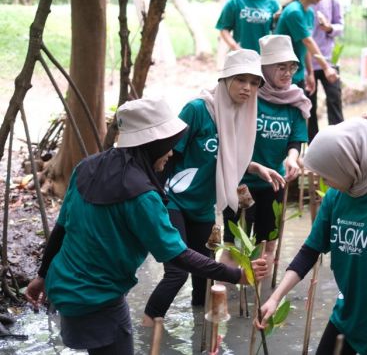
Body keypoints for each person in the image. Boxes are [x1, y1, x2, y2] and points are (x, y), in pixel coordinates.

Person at [24, 98, 268, 354]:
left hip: (63, 286)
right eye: (168, 146)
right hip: (99, 298)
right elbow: (178, 255)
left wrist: (42, 276)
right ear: (152, 145)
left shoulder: (86, 167)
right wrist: (236, 274)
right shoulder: (142, 196)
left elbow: (61, 229)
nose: (172, 153)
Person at [256, 118, 367, 355]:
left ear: (350, 166)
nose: (322, 181)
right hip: (348, 310)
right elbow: (309, 252)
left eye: (328, 174)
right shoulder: (335, 198)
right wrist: (275, 298)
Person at [143, 50, 284, 324]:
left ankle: (201, 333)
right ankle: (147, 329)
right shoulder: (197, 110)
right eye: (241, 79)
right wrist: (156, 201)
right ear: (225, 79)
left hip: (203, 206)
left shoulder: (242, 113)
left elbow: (226, 156)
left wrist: (255, 167)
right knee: (176, 272)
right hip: (174, 200)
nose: (248, 88)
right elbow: (167, 155)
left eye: (254, 82)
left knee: (204, 277)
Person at [222, 35, 310, 268]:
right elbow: (228, 138)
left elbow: (295, 140)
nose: (287, 73)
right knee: (234, 245)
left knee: (266, 245)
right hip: (241, 182)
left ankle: (258, 301)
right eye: (280, 67)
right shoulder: (248, 95)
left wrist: (292, 158)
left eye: (291, 67)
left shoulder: (295, 101)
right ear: (265, 69)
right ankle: (224, 300)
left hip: (273, 184)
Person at [275, 0, 339, 100]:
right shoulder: (294, 12)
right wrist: (326, 67)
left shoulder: (309, 12)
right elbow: (308, 41)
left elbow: (305, 46)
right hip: (283, 73)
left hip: (297, 72)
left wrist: (310, 73)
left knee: (302, 114)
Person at [306, 0, 344, 141]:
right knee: (310, 105)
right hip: (308, 62)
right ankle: (314, 143)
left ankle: (339, 140)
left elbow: (340, 26)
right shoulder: (302, 2)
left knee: (334, 100)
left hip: (329, 60)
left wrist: (330, 28)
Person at [215, 0, 280, 53]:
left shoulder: (272, 2)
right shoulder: (235, 1)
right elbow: (223, 29)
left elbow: (276, 29)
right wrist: (235, 48)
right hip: (241, 54)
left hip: (264, 54)